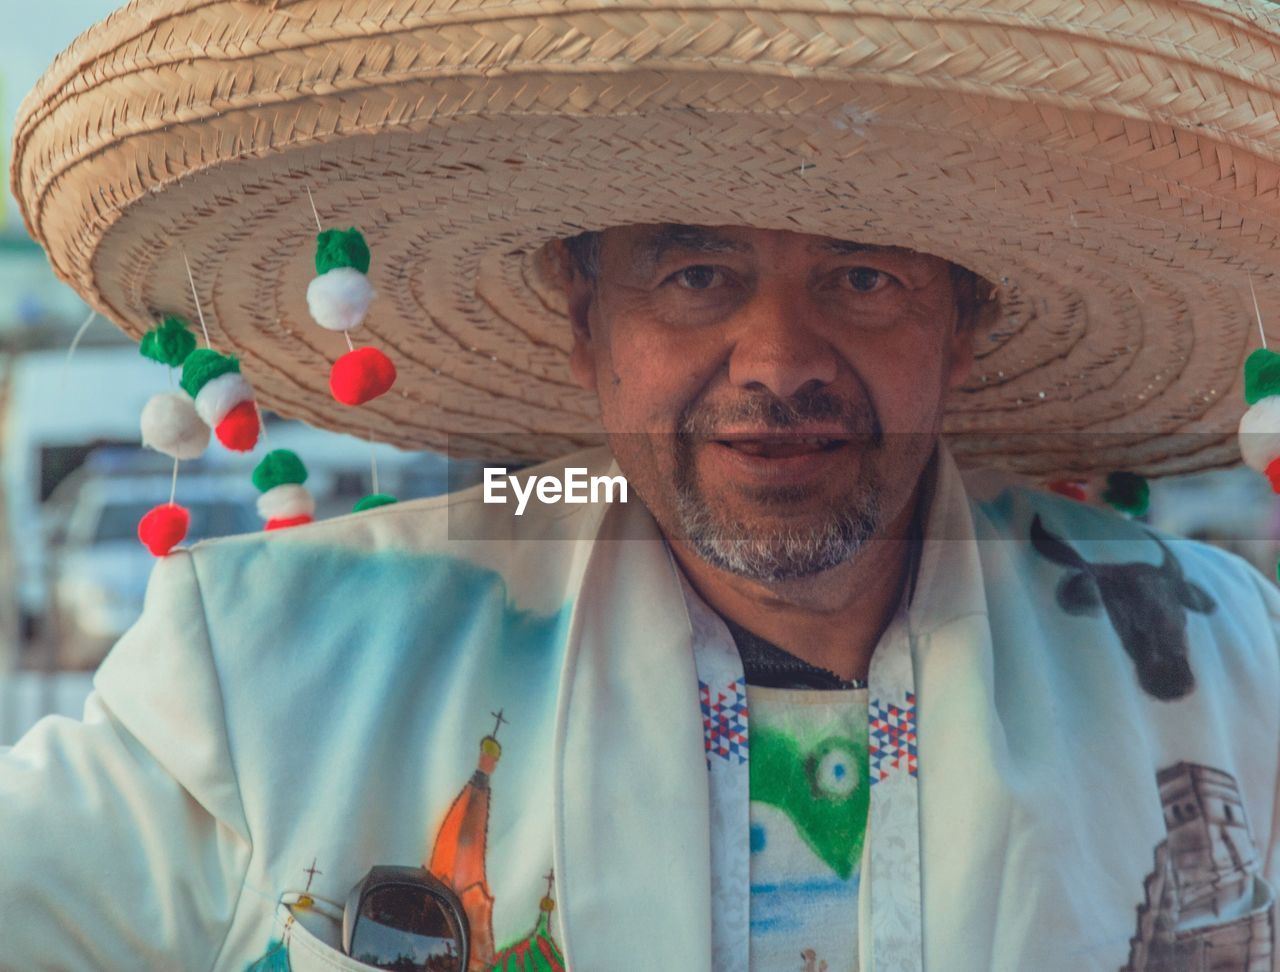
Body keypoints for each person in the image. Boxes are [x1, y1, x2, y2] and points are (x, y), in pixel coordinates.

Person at [4, 1, 1280, 970]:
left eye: (864, 277)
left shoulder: (1221, 669)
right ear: (586, 331)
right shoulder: (280, 668)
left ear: (959, 328)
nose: (778, 363)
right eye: (695, 275)